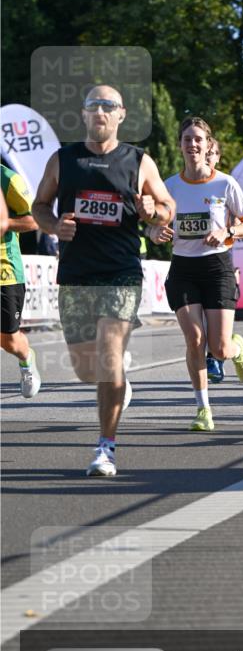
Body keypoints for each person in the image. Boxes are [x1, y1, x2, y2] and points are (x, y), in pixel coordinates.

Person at [32, 84, 176, 476]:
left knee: (110, 353)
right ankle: (118, 383)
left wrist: (154, 210)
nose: (100, 112)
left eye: (107, 106)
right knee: (85, 370)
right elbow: (39, 206)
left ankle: (105, 448)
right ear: (83, 114)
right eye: (93, 105)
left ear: (121, 115)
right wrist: (54, 225)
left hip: (121, 275)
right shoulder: (63, 160)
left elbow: (167, 207)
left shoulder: (138, 161)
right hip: (76, 276)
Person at [149, 116, 243, 431]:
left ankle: (236, 350)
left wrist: (229, 229)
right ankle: (203, 409)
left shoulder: (225, 183)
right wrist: (156, 233)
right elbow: (154, 226)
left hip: (217, 267)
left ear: (208, 145)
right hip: (183, 268)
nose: (193, 144)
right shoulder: (168, 187)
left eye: (199, 139)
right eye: (187, 139)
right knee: (195, 339)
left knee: (219, 348)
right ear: (180, 144)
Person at [1, 164, 41, 398]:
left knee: (9, 341)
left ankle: (26, 358)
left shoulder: (8, 179)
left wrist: (5, 225)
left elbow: (34, 220)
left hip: (4, 271)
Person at [204, 137, 225, 384]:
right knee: (197, 325)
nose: (207, 156)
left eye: (212, 153)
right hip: (188, 262)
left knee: (219, 336)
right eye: (205, 152)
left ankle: (221, 353)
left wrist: (227, 232)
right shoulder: (179, 184)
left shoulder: (224, 184)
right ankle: (210, 360)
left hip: (220, 261)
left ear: (218, 157)